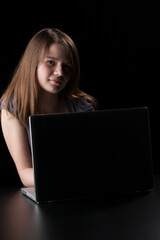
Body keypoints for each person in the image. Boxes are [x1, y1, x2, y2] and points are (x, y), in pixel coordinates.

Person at [0, 28, 97, 187]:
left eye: (66, 66)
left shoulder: (82, 108)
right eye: (51, 62)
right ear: (33, 63)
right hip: (48, 193)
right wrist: (68, 177)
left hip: (83, 191)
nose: (59, 72)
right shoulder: (13, 109)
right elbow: (25, 174)